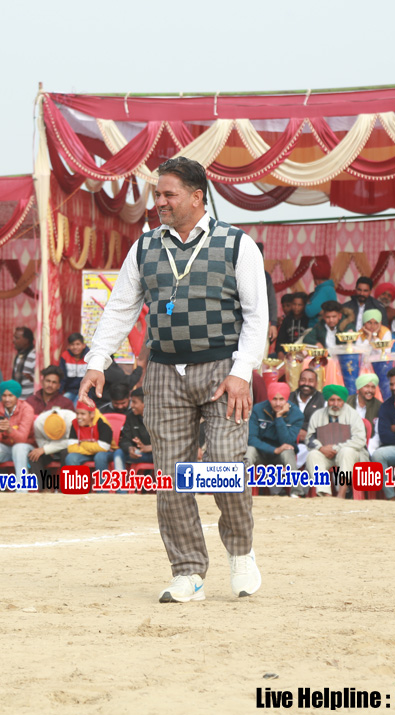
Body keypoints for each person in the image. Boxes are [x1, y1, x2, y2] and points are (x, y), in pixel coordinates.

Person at [78, 156, 267, 603]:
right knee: (171, 476)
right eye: (157, 194)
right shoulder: (144, 247)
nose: (159, 202)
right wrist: (97, 360)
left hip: (223, 371)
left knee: (224, 466)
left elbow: (257, 314)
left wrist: (242, 373)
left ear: (197, 197)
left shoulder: (237, 244)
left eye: (169, 194)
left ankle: (241, 552)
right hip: (163, 372)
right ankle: (188, 572)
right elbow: (121, 307)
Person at [305, 384, 369, 498]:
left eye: (339, 400)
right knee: (312, 455)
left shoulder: (352, 414)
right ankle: (326, 494)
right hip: (327, 454)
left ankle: (341, 493)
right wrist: (321, 448)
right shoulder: (318, 415)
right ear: (327, 400)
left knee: (346, 452)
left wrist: (337, 448)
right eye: (332, 400)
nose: (335, 404)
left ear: (343, 401)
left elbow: (359, 440)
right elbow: (310, 438)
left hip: (351, 455)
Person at [245, 381, 306, 497]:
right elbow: (251, 439)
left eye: (281, 399)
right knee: (249, 450)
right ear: (269, 398)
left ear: (286, 399)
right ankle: (241, 489)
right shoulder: (258, 409)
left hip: (281, 455)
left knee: (288, 450)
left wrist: (279, 417)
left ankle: (297, 492)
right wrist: (274, 450)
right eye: (274, 399)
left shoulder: (296, 414)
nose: (278, 403)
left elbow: (288, 442)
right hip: (261, 453)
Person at [0, 380, 35, 482]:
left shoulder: (26, 409)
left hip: (26, 448)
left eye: (10, 396)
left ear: (17, 396)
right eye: (4, 396)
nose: (7, 399)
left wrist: (9, 429)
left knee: (19, 448)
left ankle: (22, 488)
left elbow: (22, 439)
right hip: (6, 448)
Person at [371, 367, 395, 497]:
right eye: (391, 384)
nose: (394, 387)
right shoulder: (386, 406)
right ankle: (391, 497)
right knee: (377, 455)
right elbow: (385, 436)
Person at [27, 405, 78, 481]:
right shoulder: (38, 423)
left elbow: (71, 442)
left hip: (65, 448)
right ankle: (40, 486)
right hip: (47, 446)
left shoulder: (72, 419)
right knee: (33, 456)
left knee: (67, 453)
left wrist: (47, 449)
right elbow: (40, 439)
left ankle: (64, 485)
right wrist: (45, 448)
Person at [65, 399, 114, 471]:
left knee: (99, 456)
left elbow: (104, 447)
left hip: (107, 453)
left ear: (92, 414)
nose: (79, 417)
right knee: (71, 457)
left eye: (82, 414)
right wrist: (92, 449)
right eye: (77, 413)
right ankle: (77, 478)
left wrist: (83, 444)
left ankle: (102, 479)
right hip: (86, 454)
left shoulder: (102, 423)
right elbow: (71, 448)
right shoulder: (75, 423)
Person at [113, 388, 153, 471]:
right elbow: (124, 440)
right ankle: (120, 479)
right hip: (139, 454)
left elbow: (168, 442)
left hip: (157, 455)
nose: (131, 405)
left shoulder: (159, 418)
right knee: (119, 453)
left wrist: (149, 448)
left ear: (145, 403)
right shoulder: (130, 417)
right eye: (131, 402)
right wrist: (130, 448)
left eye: (134, 402)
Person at [59, 333, 89, 400]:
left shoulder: (89, 356)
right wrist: (59, 393)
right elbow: (62, 377)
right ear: (69, 346)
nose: (75, 347)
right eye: (72, 344)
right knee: (63, 402)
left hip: (86, 391)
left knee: (78, 404)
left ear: (83, 345)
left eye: (78, 344)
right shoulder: (65, 356)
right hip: (70, 391)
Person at [10, 327, 37, 396]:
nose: (13, 341)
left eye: (17, 338)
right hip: (17, 398)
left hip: (29, 399)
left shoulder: (35, 356)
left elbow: (39, 381)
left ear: (26, 341)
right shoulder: (19, 356)